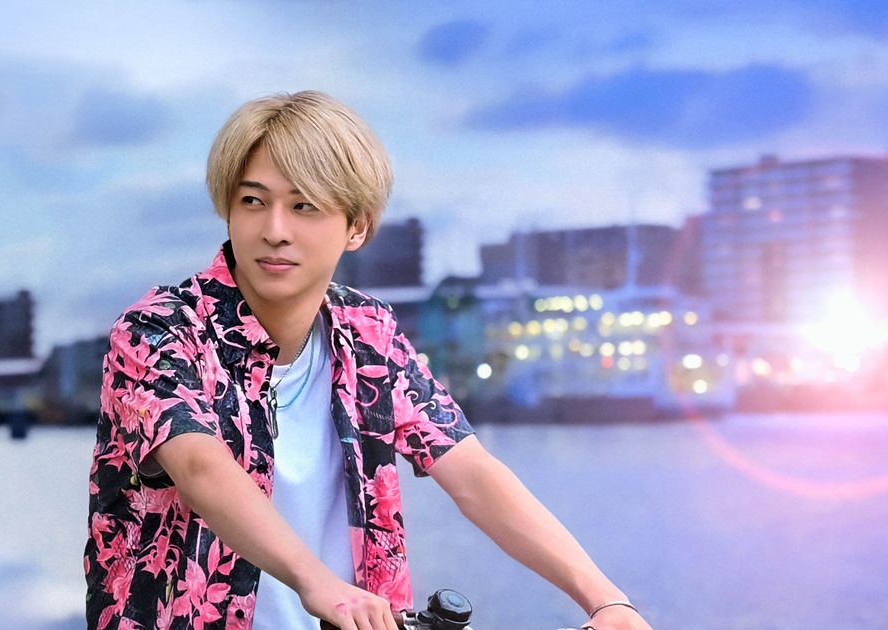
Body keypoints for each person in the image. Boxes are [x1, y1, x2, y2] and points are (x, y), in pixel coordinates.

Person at [84, 90, 652, 630]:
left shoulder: (367, 333)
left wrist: (605, 599)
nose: (274, 231)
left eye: (304, 206)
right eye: (252, 201)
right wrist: (319, 584)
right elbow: (200, 468)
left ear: (356, 227)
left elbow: (472, 473)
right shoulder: (159, 329)